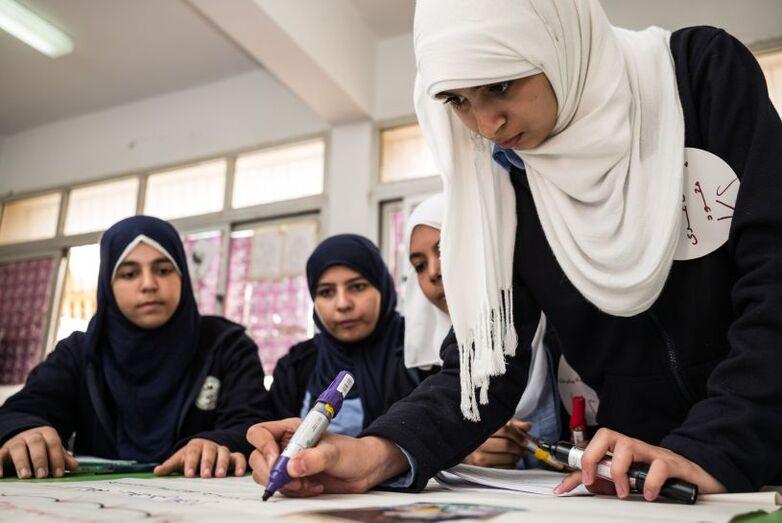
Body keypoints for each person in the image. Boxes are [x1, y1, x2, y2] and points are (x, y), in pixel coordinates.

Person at [247, 0, 782, 500]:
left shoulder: (697, 79)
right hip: (640, 482)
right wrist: (374, 453)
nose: (484, 125)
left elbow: (773, 278)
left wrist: (715, 446)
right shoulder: (504, 181)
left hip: (755, 448)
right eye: (457, 101)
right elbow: (485, 365)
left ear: (556, 40)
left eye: (500, 84)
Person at [0, 215, 268, 479]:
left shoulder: (228, 346)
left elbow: (252, 422)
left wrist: (217, 442)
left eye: (163, 270)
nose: (149, 285)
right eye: (129, 274)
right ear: (107, 284)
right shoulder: (81, 352)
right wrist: (23, 430)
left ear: (183, 276)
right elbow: (23, 410)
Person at [404, 193, 562, 469]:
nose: (434, 272)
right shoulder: (424, 368)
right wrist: (462, 452)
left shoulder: (561, 336)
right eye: (419, 265)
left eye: (446, 249)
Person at [263, 234, 419, 438]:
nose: (343, 304)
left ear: (382, 287)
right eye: (327, 292)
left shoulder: (419, 351)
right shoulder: (296, 364)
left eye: (358, 287)